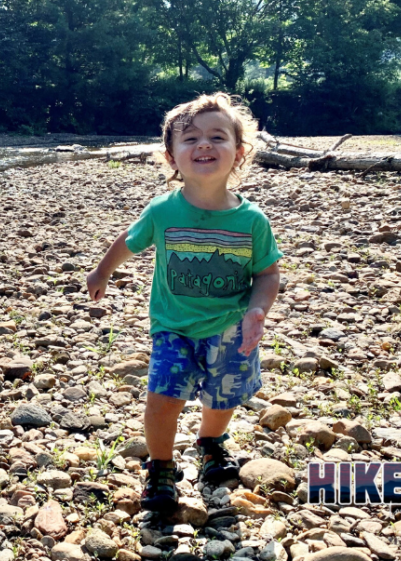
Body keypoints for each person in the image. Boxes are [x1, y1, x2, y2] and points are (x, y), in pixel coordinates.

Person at [86, 93, 282, 514]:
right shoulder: (164, 210)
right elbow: (130, 240)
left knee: (224, 395)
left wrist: (257, 310)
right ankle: (160, 467)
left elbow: (268, 274)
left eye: (217, 136)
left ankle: (211, 442)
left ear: (240, 152)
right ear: (172, 156)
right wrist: (103, 271)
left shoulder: (252, 221)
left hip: (231, 325)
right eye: (190, 138)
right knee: (163, 397)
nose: (204, 145)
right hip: (173, 325)